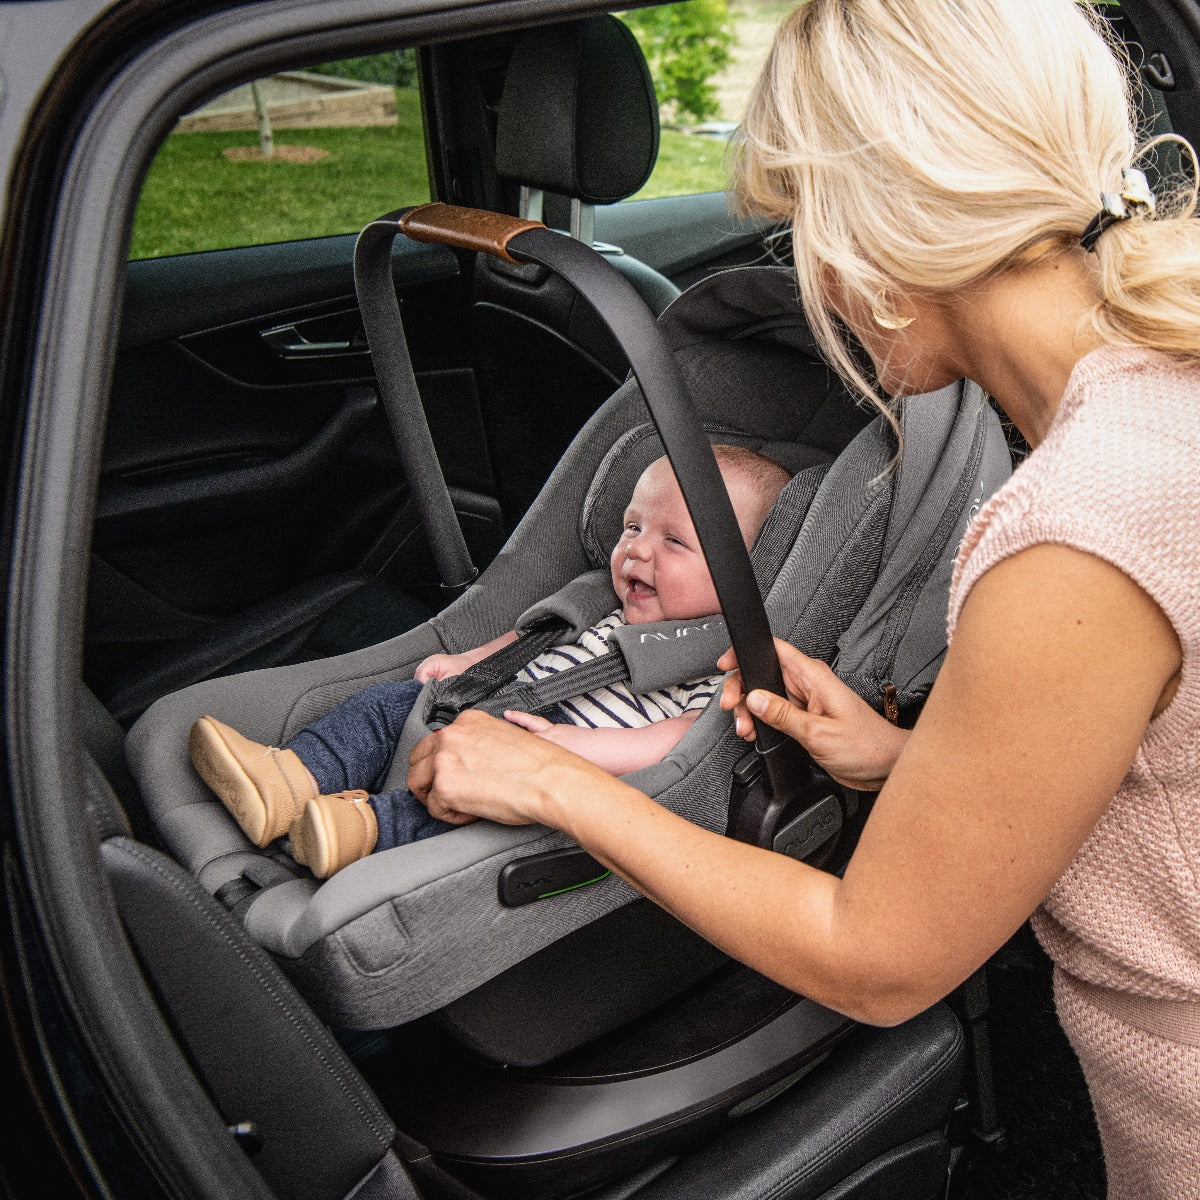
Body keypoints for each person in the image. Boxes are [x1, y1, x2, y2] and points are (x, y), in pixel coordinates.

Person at [403, 2, 1200, 1195]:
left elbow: (879, 961)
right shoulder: (1160, 394)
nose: (808, 272)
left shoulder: (1075, 536)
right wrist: (906, 761)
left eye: (801, 227)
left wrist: (550, 780)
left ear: (884, 232)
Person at [188, 446, 790, 878]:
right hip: (481, 707)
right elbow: (532, 639)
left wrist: (568, 749)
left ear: (747, 575)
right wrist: (471, 661)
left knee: (466, 818)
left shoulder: (717, 663)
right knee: (384, 705)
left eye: (674, 542)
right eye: (632, 527)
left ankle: (363, 830)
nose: (635, 550)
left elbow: (682, 741)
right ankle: (291, 777)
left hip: (539, 770)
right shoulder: (606, 605)